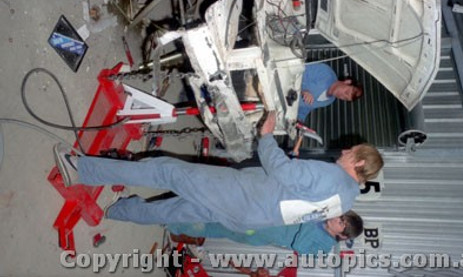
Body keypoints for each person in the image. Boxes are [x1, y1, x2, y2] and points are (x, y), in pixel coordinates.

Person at [53, 112, 383, 233]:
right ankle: (118, 211)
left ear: (357, 163)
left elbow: (281, 172)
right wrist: (291, 165)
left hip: (243, 196)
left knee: (169, 173)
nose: (343, 151)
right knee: (179, 209)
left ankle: (81, 169)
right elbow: (299, 196)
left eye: (351, 153)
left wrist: (266, 135)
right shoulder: (344, 199)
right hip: (248, 215)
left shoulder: (335, 177)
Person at [166, 210, 362, 255]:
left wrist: (312, 221)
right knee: (219, 210)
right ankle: (176, 212)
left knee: (214, 227)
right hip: (263, 213)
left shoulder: (323, 247)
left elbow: (299, 246)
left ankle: (173, 224)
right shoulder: (323, 214)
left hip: (257, 231)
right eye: (341, 217)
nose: (337, 219)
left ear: (342, 236)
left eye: (341, 223)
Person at [298, 63, 363, 122]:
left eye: (345, 98)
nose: (342, 96)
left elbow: (307, 107)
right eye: (346, 92)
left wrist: (300, 119)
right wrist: (304, 90)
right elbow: (297, 70)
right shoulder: (325, 72)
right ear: (347, 82)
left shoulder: (329, 101)